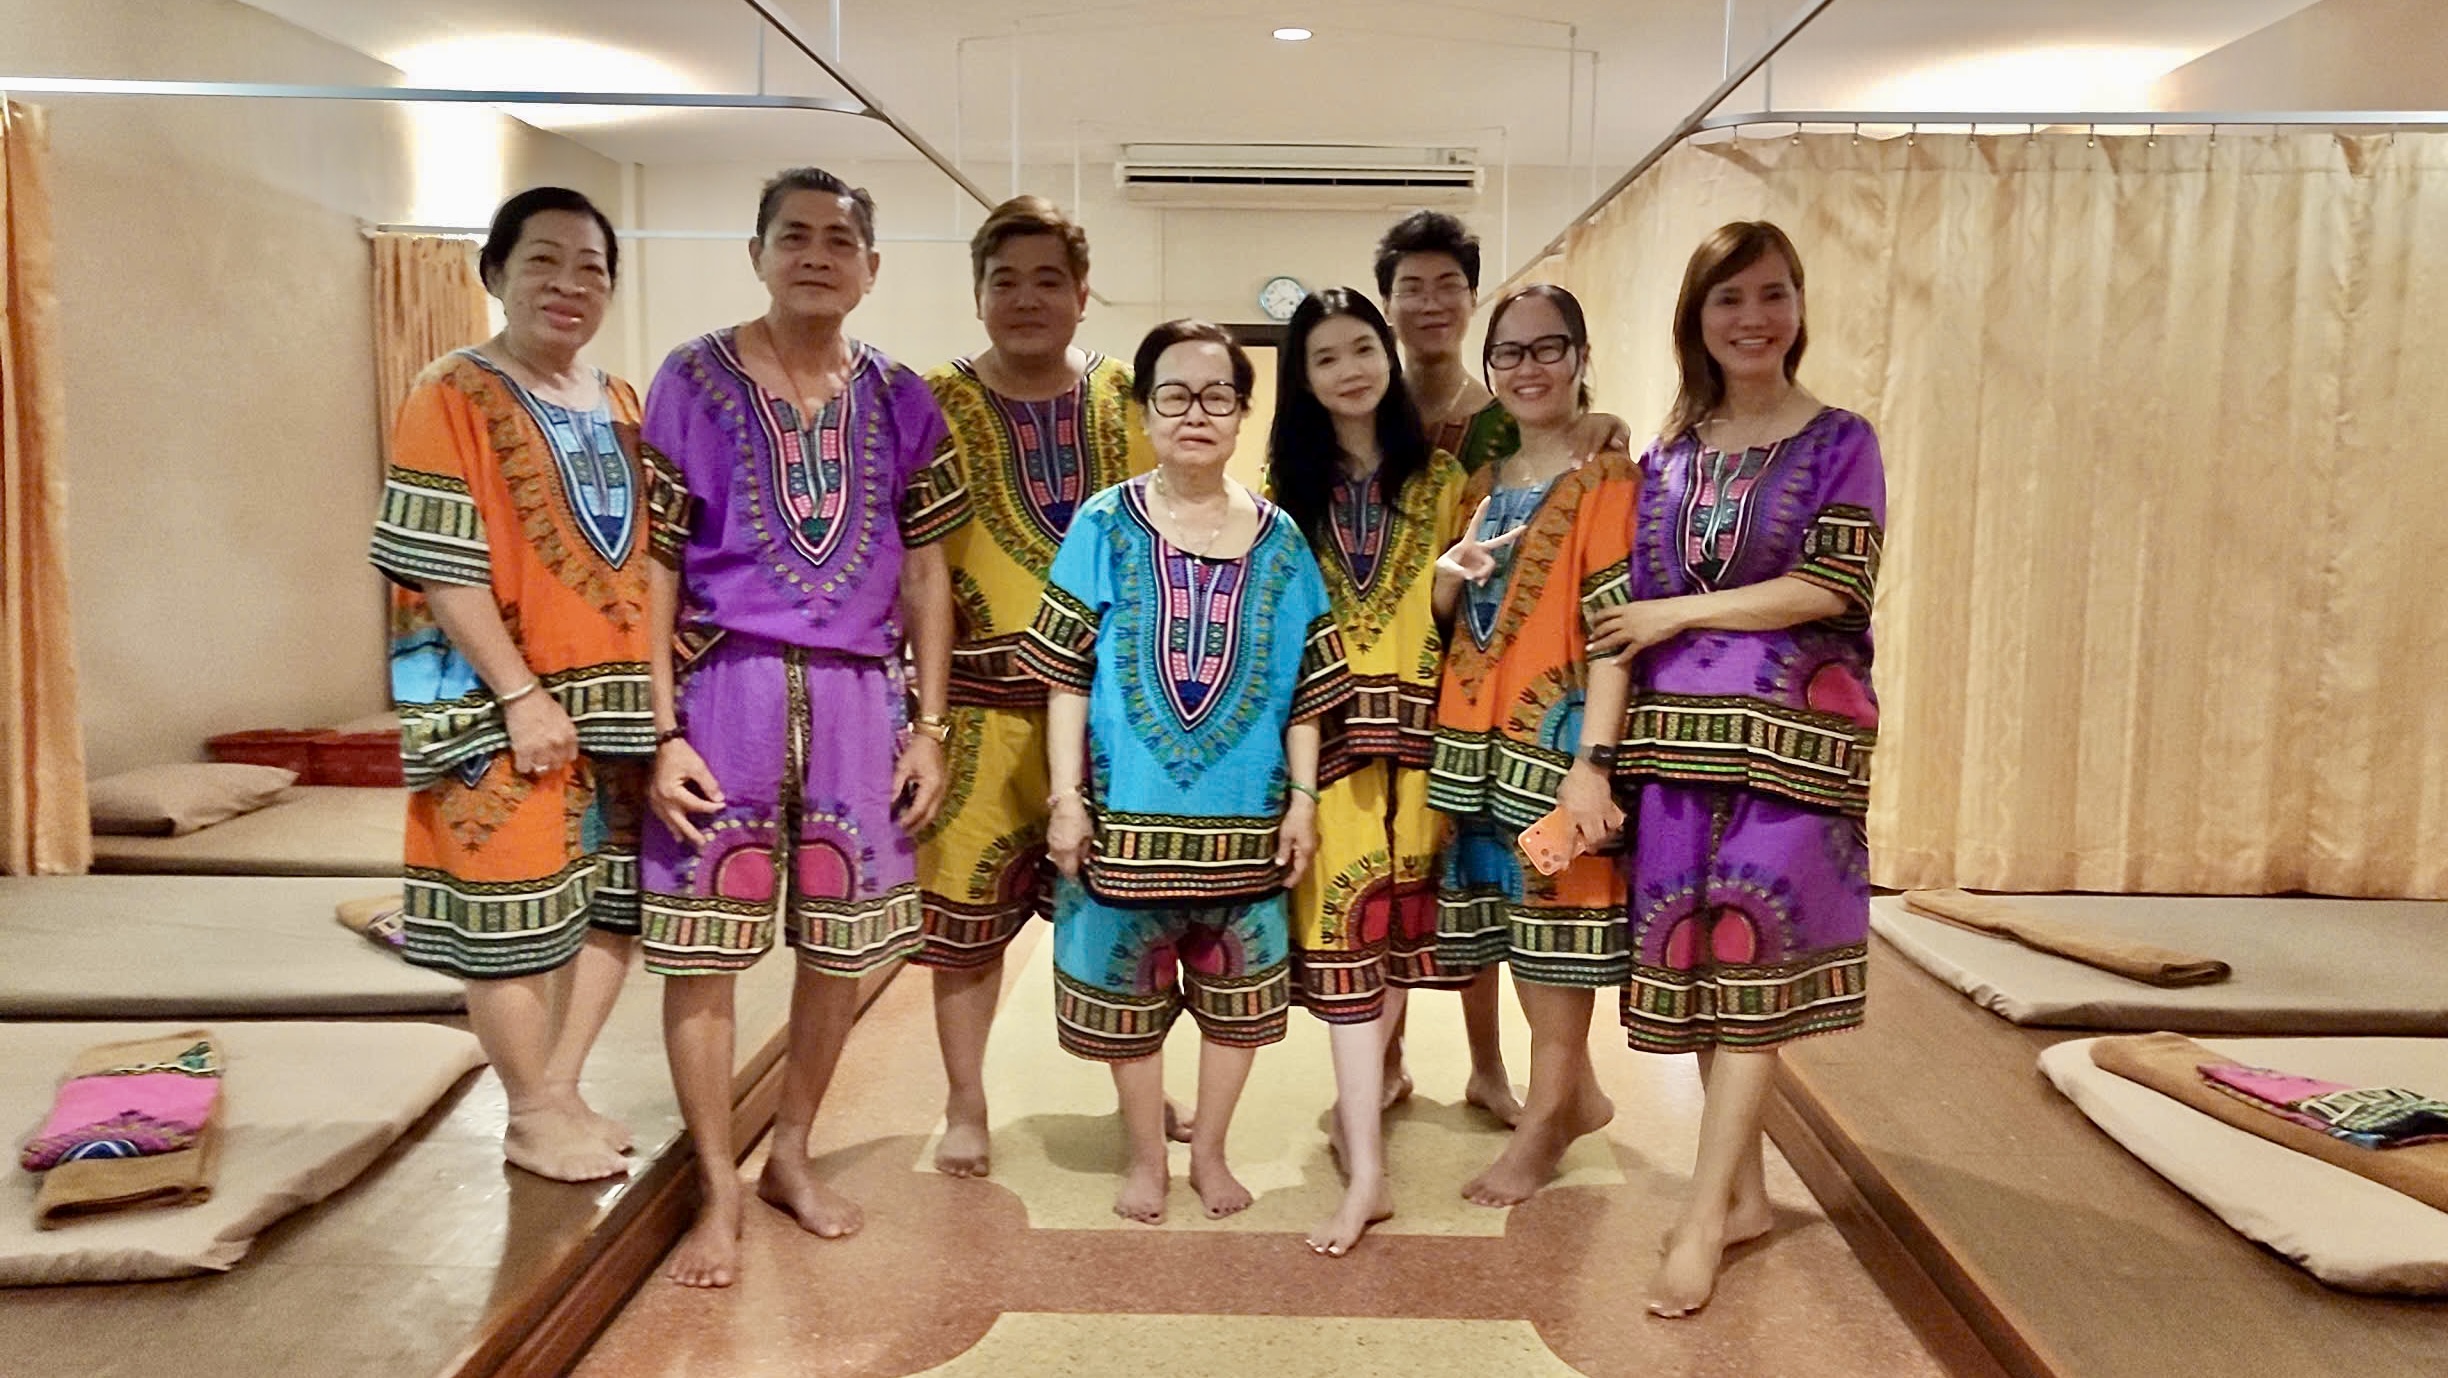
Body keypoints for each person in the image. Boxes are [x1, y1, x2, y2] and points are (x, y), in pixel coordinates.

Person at [638, 167, 966, 1289]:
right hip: (721, 687)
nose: (817, 254)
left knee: (841, 945)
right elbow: (656, 565)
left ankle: (789, 1152)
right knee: (706, 950)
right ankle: (715, 1187)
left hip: (860, 697)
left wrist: (931, 725)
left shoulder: (903, 397)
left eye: (839, 239)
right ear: (758, 254)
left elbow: (927, 572)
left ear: (871, 268)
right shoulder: (690, 378)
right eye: (794, 236)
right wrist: (660, 729)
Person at [1589, 221, 1884, 1317]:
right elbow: (1617, 610)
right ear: (1697, 318)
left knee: (1756, 963)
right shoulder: (1667, 456)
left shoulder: (1843, 438)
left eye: (1772, 294)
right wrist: (1597, 759)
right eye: (1729, 299)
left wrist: (1682, 611)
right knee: (1703, 968)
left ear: (1799, 307)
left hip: (1795, 745)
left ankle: (1705, 1215)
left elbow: (1834, 583)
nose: (1753, 317)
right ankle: (1747, 1193)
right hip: (1673, 746)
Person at [1019, 320, 1351, 1227]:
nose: (1195, 414)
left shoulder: (1281, 540)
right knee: (1126, 997)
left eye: (1217, 396)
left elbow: (1307, 691)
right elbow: (1065, 676)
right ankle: (1144, 1157)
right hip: (1124, 820)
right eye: (1174, 395)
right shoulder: (1102, 523)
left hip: (1249, 822)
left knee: (1239, 999)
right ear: (1145, 412)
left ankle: (1208, 1152)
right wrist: (1065, 799)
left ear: (1243, 413)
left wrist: (1304, 801)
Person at [371, 186, 671, 1184]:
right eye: (543, 260)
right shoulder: (450, 390)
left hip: (620, 707)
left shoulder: (623, 402)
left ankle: (564, 1086)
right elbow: (439, 558)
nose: (568, 284)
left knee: (612, 904)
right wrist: (518, 693)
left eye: (591, 267)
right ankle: (529, 1111)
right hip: (495, 703)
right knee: (507, 918)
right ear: (495, 272)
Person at [914, 196, 1153, 1179]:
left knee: (1124, 915)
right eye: (1004, 280)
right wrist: (923, 720)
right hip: (978, 711)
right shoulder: (931, 402)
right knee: (965, 929)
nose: (1025, 298)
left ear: (1082, 294)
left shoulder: (1125, 395)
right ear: (977, 293)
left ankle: (1138, 1098)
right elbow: (916, 569)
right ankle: (965, 1101)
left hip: (1109, 722)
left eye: (1048, 279)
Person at [1263, 288, 1472, 1256]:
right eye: (1325, 357)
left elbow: (1444, 617)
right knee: (1345, 938)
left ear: (1388, 358)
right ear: (1301, 381)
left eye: (1363, 349)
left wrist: (1449, 582)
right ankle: (1370, 1172)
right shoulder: (1282, 496)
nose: (1349, 370)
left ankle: (1372, 1103)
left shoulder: (1442, 479)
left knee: (1395, 939)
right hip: (1328, 747)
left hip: (1422, 748)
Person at [1427, 283, 1642, 1209]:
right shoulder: (1481, 481)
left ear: (1581, 356)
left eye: (1548, 347)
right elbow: (1450, 614)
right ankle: (1574, 1094)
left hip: (1556, 745)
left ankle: (1549, 1116)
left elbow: (1615, 632)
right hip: (1473, 741)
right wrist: (1448, 579)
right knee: (1514, 932)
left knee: (1558, 933)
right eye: (1509, 352)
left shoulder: (1610, 478)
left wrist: (1593, 763)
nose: (1528, 368)